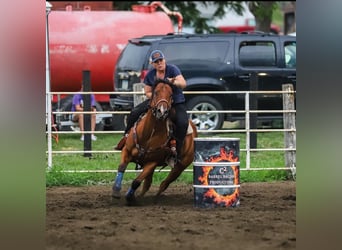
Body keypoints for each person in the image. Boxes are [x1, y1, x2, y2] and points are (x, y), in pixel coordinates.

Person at [114, 49, 189, 162]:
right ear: (152, 64)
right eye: (156, 61)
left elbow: (183, 83)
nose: (159, 63)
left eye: (161, 60)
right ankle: (126, 137)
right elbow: (147, 92)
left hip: (175, 102)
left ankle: (177, 150)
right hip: (156, 102)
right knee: (135, 112)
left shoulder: (173, 69)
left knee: (182, 122)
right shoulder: (150, 75)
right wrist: (156, 98)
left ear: (164, 60)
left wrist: (173, 82)